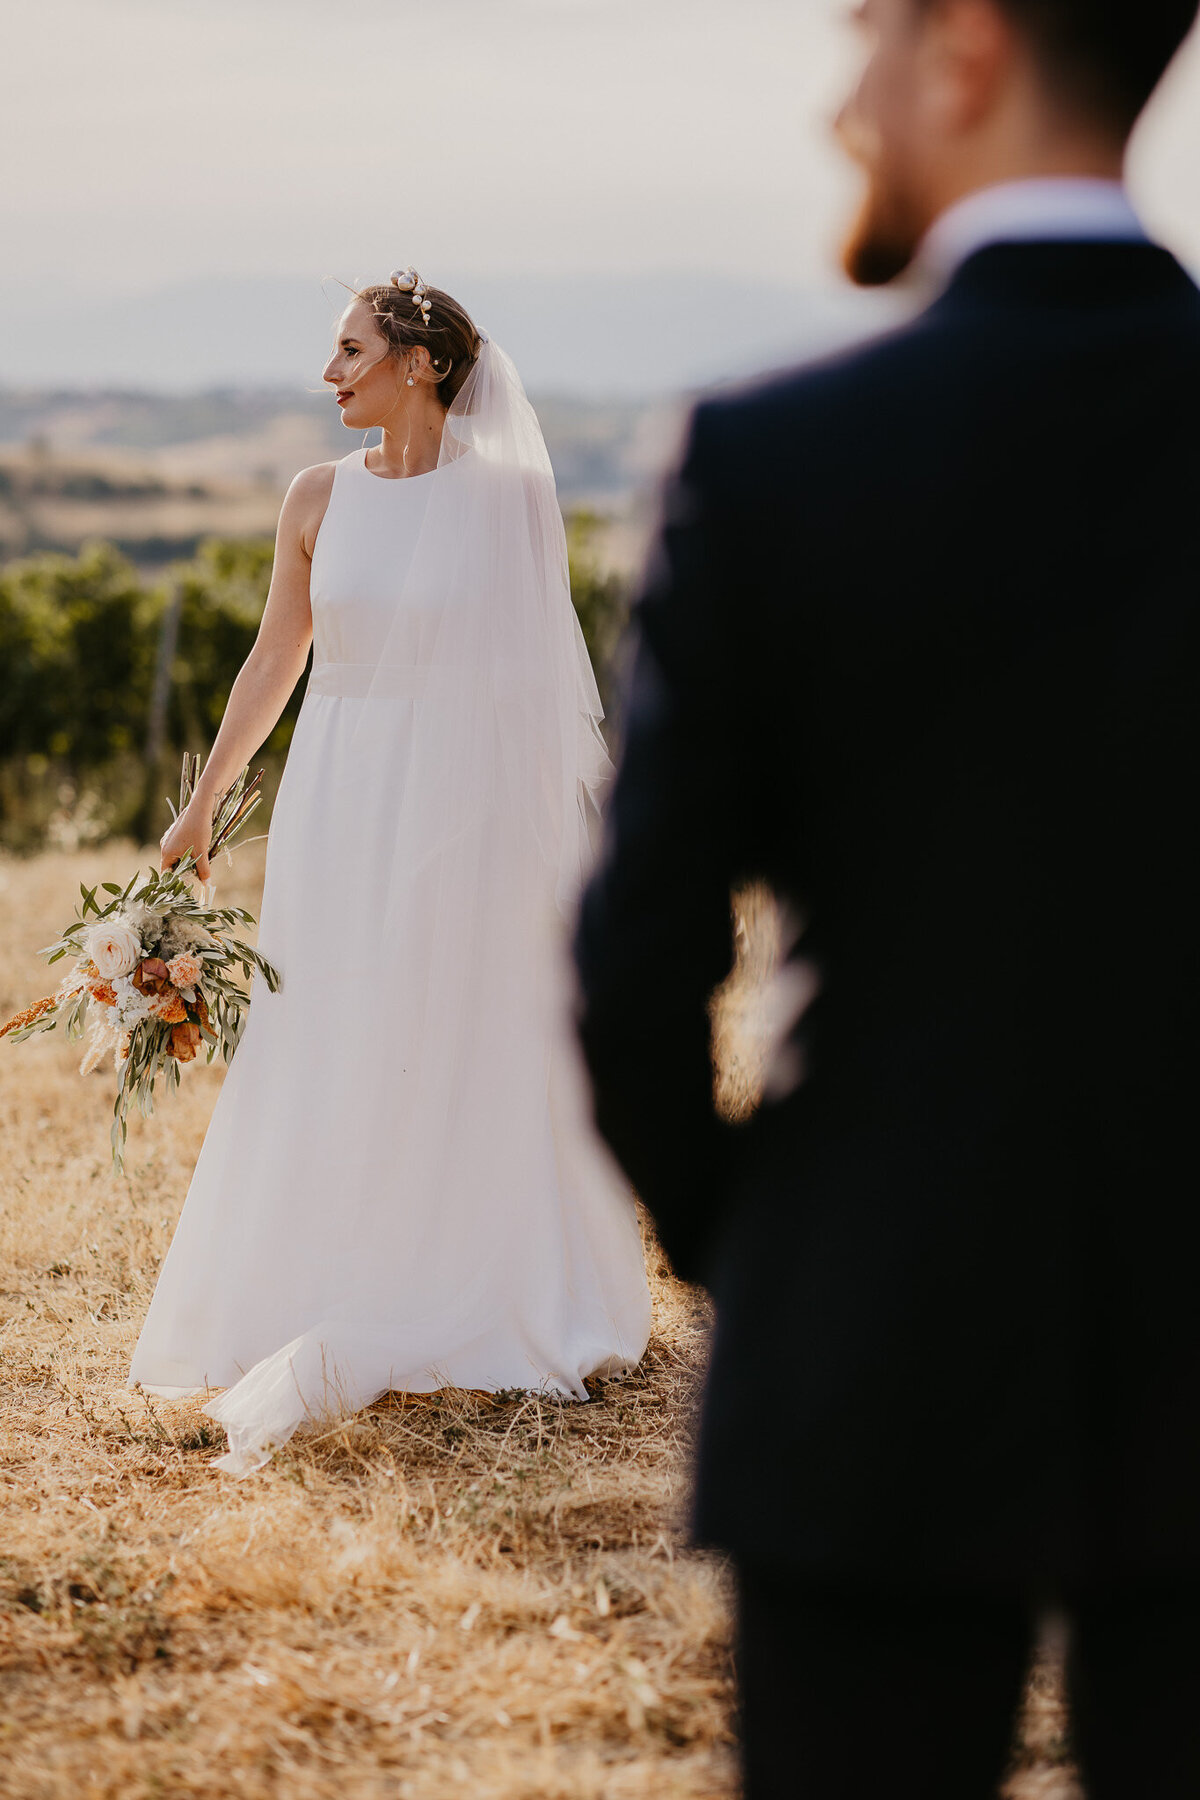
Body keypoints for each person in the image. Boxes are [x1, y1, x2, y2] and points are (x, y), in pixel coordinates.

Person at [573, 1, 1200, 1793]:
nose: (841, 103)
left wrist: (758, 1243)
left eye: (863, 35)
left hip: (872, 1348)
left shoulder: (771, 455)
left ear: (967, 47)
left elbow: (636, 966)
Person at [131, 271, 651, 1473]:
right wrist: (204, 806)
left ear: (420, 362)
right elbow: (276, 658)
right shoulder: (315, 497)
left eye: (350, 351)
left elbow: (538, 682)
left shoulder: (513, 498)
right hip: (342, 796)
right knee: (335, 1021)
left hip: (469, 806)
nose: (330, 376)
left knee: (463, 1021)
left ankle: (476, 1265)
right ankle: (327, 1267)